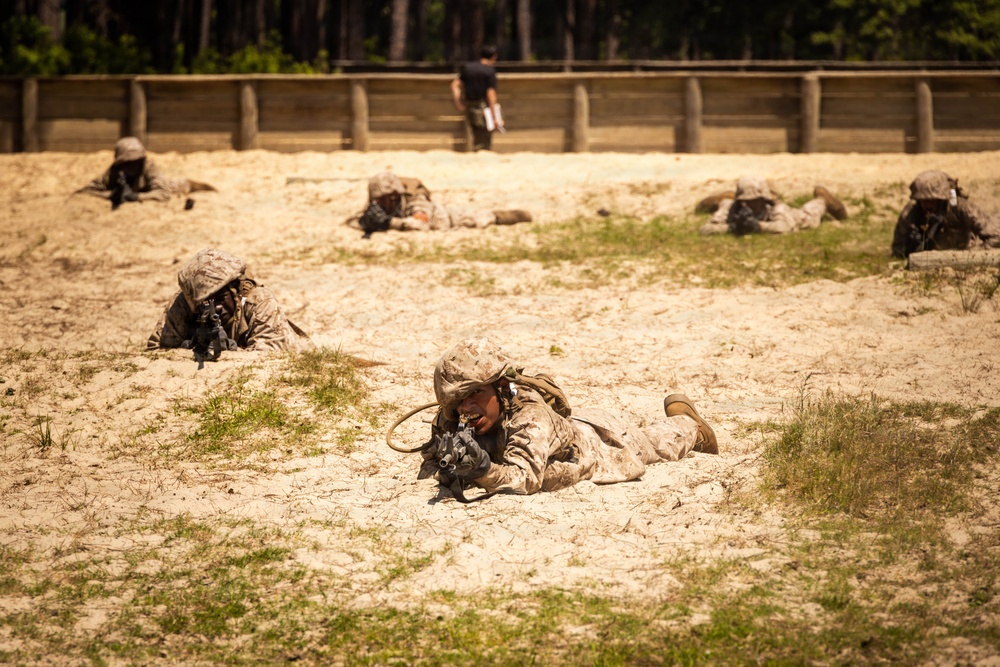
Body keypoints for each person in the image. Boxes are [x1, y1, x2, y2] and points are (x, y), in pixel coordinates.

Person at [417, 337, 718, 498]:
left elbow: (526, 479)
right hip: (563, 434)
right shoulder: (454, 417)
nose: (466, 408)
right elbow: (430, 464)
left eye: (476, 395)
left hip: (603, 443)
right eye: (459, 400)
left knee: (659, 445)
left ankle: (690, 425)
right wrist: (447, 468)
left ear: (500, 388)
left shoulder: (529, 415)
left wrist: (482, 470)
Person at [147, 248, 311, 352]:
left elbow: (273, 353)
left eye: (220, 298)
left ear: (234, 291)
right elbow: (156, 350)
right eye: (206, 302)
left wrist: (231, 352)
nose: (216, 308)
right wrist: (189, 347)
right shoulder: (183, 304)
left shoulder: (258, 300)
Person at [352, 171, 532, 237]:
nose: (379, 203)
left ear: (394, 196)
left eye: (383, 198)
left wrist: (389, 223)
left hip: (449, 218)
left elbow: (421, 223)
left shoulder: (415, 200)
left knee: (482, 218)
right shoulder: (379, 206)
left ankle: (513, 215)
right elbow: (354, 220)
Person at [75, 136, 216, 207]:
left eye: (137, 161)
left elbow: (163, 193)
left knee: (180, 184)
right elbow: (87, 191)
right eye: (128, 162)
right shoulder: (113, 173)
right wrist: (111, 195)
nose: (133, 165)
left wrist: (136, 197)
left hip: (166, 186)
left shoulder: (148, 167)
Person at [891, 170, 1000, 258]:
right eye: (923, 200)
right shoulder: (911, 213)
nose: (927, 204)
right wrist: (911, 247)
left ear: (942, 199)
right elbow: (898, 249)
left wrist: (972, 254)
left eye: (932, 200)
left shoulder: (963, 208)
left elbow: (995, 237)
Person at [698, 176, 847, 236]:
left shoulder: (776, 208)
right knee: (725, 203)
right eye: (744, 200)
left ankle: (822, 200)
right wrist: (732, 227)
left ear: (764, 200)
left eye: (753, 201)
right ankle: (721, 199)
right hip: (734, 209)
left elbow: (785, 227)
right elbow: (705, 229)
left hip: (793, 216)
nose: (747, 205)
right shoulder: (733, 207)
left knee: (809, 219)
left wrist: (759, 226)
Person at [450, 44, 502, 151]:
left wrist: (459, 103)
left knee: (475, 132)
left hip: (470, 105)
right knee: (483, 137)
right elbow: (491, 94)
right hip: (483, 107)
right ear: (493, 57)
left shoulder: (468, 68)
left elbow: (454, 85)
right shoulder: (489, 72)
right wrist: (495, 115)